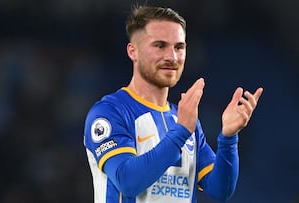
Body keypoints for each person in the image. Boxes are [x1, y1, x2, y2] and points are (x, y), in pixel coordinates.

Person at [83, 5, 263, 203]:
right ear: (133, 52)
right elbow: (127, 182)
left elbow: (220, 190)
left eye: (179, 47)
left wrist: (228, 137)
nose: (172, 57)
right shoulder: (109, 112)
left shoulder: (184, 119)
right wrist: (181, 132)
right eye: (160, 46)